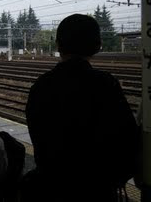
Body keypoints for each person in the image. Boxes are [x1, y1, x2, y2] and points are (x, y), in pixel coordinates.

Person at [23, 14, 138, 202]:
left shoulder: (41, 86)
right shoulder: (106, 85)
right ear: (97, 46)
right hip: (97, 191)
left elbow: (37, 134)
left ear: (59, 45)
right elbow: (127, 141)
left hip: (50, 188)